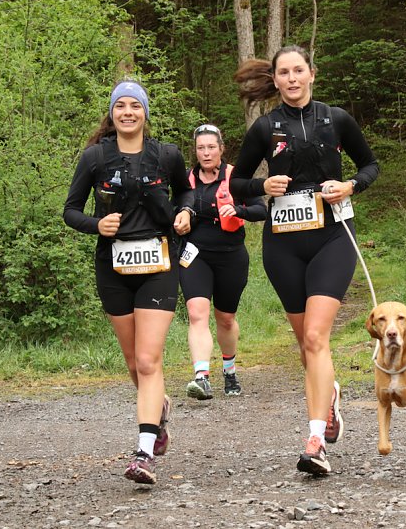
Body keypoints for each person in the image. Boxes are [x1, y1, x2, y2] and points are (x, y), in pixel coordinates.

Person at [230, 45, 379, 475]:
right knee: (306, 346)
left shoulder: (336, 119)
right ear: (274, 80)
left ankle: (315, 440)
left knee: (316, 337)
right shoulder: (265, 127)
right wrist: (263, 186)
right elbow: (237, 183)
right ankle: (328, 394)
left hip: (333, 236)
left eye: (299, 71)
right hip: (284, 246)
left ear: (312, 74)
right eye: (284, 73)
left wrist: (350, 184)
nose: (292, 79)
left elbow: (370, 165)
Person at [63, 80, 195, 485]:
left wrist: (186, 214)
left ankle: (143, 452)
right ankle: (159, 409)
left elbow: (188, 194)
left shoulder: (167, 155)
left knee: (147, 360)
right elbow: (70, 211)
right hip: (114, 268)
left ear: (145, 113)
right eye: (120, 106)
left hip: (158, 262)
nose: (127, 112)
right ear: (112, 114)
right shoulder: (95, 157)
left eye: (134, 106)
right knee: (133, 363)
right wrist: (96, 224)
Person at [179, 124, 267, 400]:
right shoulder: (184, 180)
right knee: (197, 313)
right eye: (201, 148)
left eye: (211, 147)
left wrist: (237, 209)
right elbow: (167, 209)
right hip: (195, 254)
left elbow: (260, 209)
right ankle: (201, 377)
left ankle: (229, 369)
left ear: (221, 149)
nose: (206, 153)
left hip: (231, 255)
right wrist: (177, 220)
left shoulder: (236, 178)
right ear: (195, 151)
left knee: (225, 318)